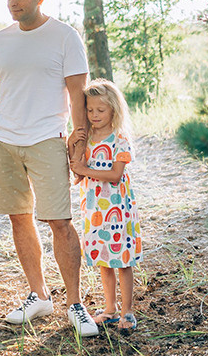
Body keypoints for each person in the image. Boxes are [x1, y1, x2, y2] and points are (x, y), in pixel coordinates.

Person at [0, 0, 100, 336]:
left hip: (47, 138)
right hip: (6, 141)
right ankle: (39, 295)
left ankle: (75, 304)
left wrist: (80, 145)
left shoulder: (64, 36)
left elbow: (78, 94)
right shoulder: (1, 40)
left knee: (59, 222)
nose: (13, 4)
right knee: (18, 218)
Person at [70, 79, 142, 331]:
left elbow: (115, 175)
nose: (94, 115)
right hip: (94, 209)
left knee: (122, 260)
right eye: (90, 110)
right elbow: (77, 171)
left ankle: (127, 311)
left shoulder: (120, 138)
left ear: (113, 109)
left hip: (117, 208)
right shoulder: (87, 138)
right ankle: (110, 309)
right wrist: (72, 143)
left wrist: (85, 169)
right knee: (104, 260)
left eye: (100, 110)